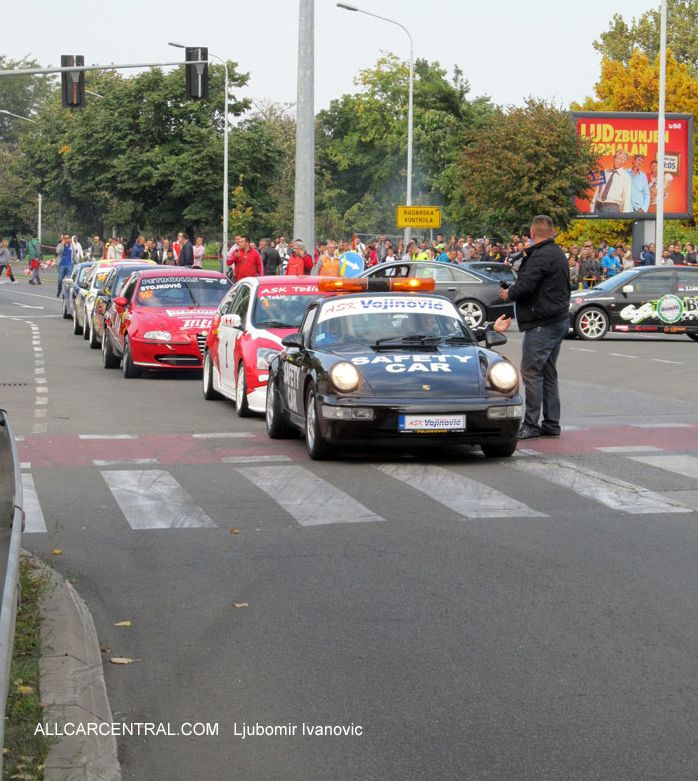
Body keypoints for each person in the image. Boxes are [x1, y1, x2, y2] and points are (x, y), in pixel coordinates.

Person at [498, 215, 570, 440]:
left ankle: (531, 424)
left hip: (541, 323)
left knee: (531, 373)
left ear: (532, 233)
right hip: (557, 319)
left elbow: (526, 286)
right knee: (548, 372)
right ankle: (551, 423)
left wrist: (508, 293)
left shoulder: (540, 256)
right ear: (552, 232)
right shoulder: (557, 253)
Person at [590, 149, 632, 213]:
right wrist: (592, 207)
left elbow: (627, 198)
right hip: (597, 207)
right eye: (616, 158)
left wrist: (625, 214)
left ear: (625, 161)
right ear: (614, 158)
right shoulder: (605, 172)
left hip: (612, 208)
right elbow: (597, 191)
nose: (618, 161)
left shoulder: (625, 177)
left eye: (621, 159)